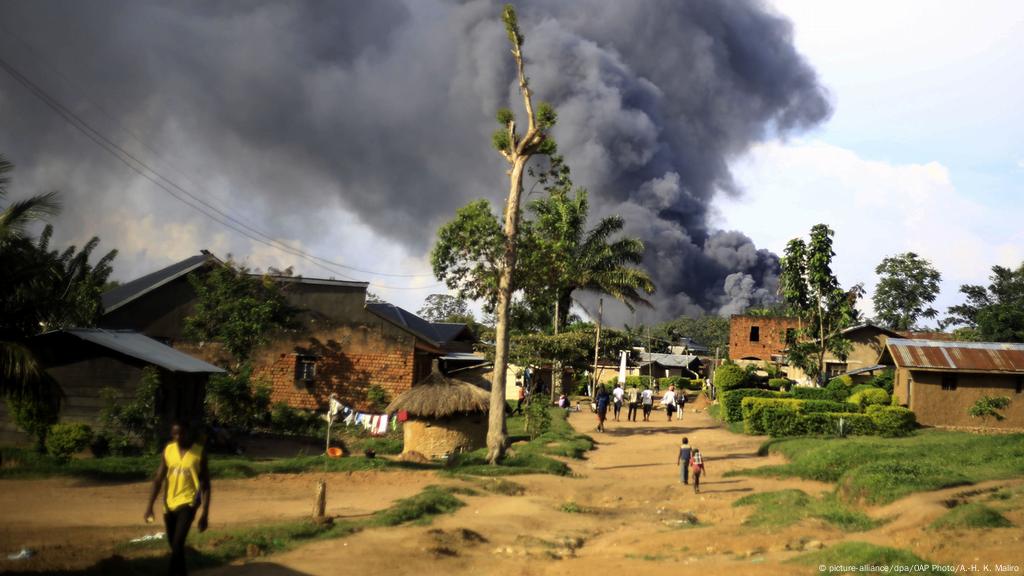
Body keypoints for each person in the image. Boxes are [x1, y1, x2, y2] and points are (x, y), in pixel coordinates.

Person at [145, 422, 211, 576]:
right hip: (168, 504)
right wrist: (149, 506)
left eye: (181, 433)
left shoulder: (199, 453)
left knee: (178, 542)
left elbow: (206, 485)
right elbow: (158, 479)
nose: (178, 437)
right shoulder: (168, 450)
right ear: (172, 434)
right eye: (175, 434)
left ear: (188, 434)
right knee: (175, 547)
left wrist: (205, 514)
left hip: (189, 503)